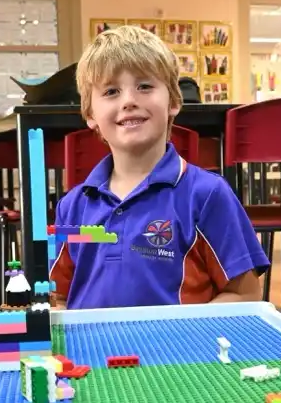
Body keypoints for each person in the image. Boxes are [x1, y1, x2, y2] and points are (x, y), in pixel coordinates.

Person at [50, 25, 269, 308]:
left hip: (177, 340)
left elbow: (244, 294)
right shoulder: (72, 207)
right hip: (90, 339)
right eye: (111, 91)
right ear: (90, 114)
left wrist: (181, 332)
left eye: (144, 86)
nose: (129, 101)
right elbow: (58, 298)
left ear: (173, 101)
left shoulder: (208, 195)